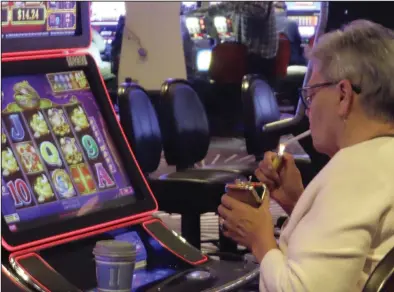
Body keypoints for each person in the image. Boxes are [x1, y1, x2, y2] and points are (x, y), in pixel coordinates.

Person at [218, 20, 394, 291]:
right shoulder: (381, 159)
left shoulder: (355, 170)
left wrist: (260, 239)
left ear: (343, 96)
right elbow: (351, 248)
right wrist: (297, 203)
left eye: (310, 94)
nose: (307, 109)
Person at [190, 2, 278, 83]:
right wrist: (210, 10)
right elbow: (231, 5)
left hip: (260, 52)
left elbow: (260, 12)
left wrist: (233, 6)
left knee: (255, 90)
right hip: (248, 49)